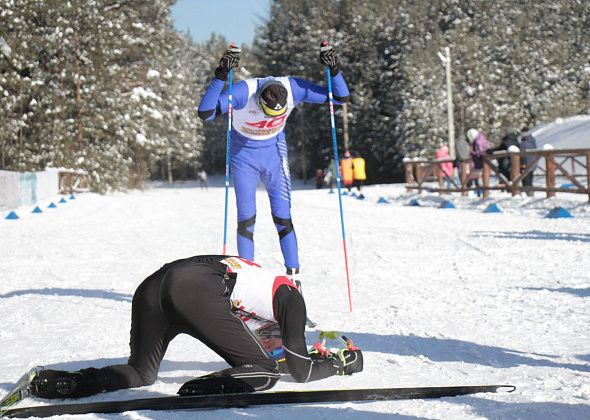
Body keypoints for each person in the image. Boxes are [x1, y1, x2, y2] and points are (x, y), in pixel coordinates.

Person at [30, 255, 363, 399]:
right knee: (264, 372)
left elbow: (264, 340)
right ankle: (198, 389)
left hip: (154, 285)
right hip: (193, 289)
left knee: (141, 372)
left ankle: (66, 383)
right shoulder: (291, 297)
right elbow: (299, 370)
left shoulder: (254, 280)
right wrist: (339, 363)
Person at [197, 43, 350, 279]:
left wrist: (335, 69)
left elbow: (340, 98)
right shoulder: (243, 92)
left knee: (282, 215)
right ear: (259, 101)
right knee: (246, 219)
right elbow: (205, 113)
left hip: (274, 156)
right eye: (267, 113)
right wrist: (220, 75)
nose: (271, 118)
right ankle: (247, 278)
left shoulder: (294, 88)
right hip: (243, 158)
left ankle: (293, 277)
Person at [466, 128, 491, 197]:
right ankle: (482, 192)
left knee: (480, 178)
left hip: (481, 161)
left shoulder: (477, 141)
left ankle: (484, 193)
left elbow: (480, 151)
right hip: (482, 161)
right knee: (479, 178)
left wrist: (473, 154)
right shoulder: (481, 138)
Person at [519, 127, 538, 197]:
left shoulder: (525, 142)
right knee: (528, 180)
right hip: (532, 163)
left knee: (526, 181)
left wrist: (523, 163)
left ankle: (529, 195)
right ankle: (530, 194)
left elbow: (524, 154)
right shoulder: (531, 140)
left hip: (527, 164)